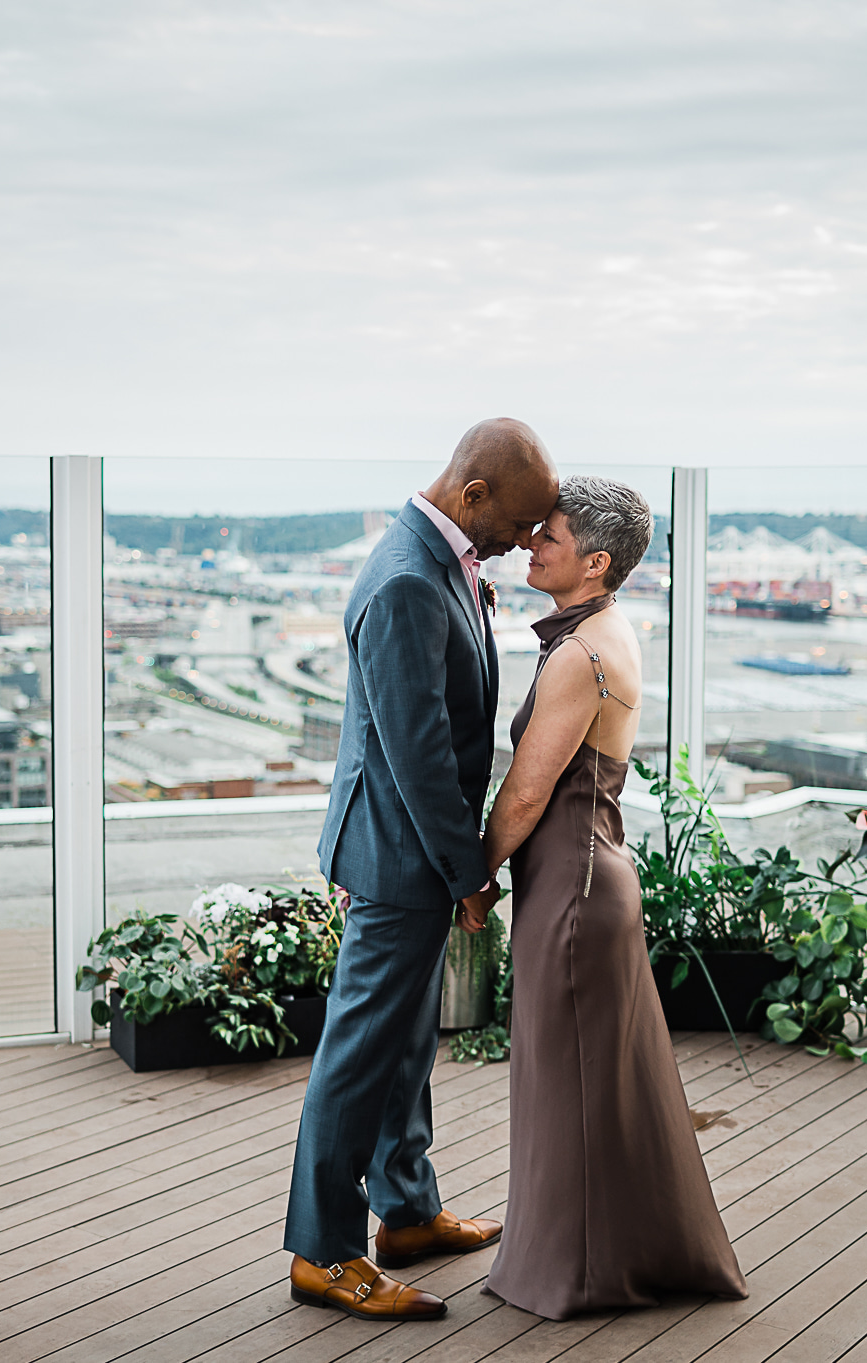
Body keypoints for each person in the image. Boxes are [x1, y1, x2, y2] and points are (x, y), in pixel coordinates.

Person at [284, 418, 559, 1322]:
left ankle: (404, 1210)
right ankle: (324, 1250)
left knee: (404, 1042)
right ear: (471, 494)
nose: (521, 545)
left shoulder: (437, 559)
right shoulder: (407, 579)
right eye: (515, 525)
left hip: (409, 851)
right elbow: (418, 754)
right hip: (398, 853)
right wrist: (468, 871)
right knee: (360, 1051)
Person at [470, 475, 749, 1320]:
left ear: (595, 562)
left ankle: (578, 1270)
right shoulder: (602, 631)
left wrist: (475, 879)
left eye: (547, 534)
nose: (531, 542)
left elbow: (523, 796)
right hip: (585, 880)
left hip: (572, 892)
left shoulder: (581, 654)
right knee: (595, 1086)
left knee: (571, 1087)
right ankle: (610, 1254)